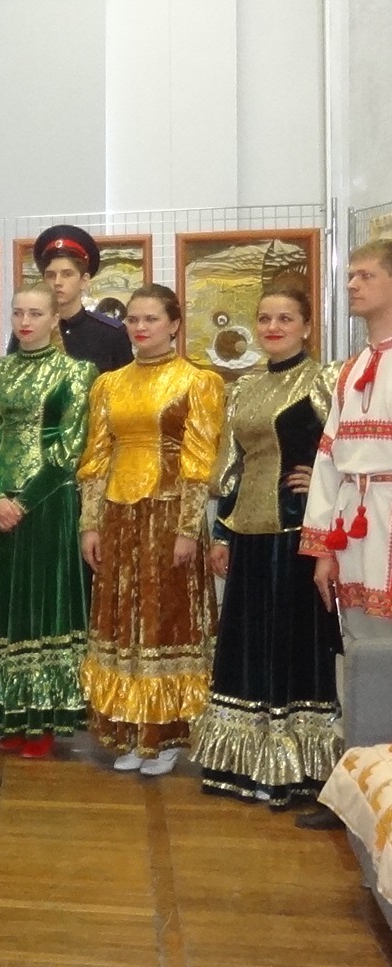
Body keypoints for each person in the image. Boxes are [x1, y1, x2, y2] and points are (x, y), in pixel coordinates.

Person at [189, 286, 340, 806]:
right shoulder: (244, 388)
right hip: (249, 537)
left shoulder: (324, 379)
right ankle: (244, 765)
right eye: (265, 318)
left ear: (307, 327)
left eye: (285, 319)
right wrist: (221, 534)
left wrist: (324, 479)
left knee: (290, 646)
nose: (273, 327)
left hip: (298, 535)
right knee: (248, 647)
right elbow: (231, 469)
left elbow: (348, 446)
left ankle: (293, 771)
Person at [78, 284, 224, 776]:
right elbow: (96, 458)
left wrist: (188, 527)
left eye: (151, 319)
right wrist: (90, 523)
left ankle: (164, 737)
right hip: (118, 514)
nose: (140, 328)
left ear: (174, 324)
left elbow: (200, 460)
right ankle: (127, 730)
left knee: (165, 620)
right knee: (121, 622)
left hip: (168, 513)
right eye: (133, 319)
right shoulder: (108, 384)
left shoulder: (198, 381)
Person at [0, 284, 97, 758]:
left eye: (36, 313)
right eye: (18, 313)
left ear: (55, 319)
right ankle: (7, 715)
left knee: (42, 605)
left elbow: (70, 446)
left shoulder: (77, 372)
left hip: (49, 503)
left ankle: (42, 722)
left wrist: (24, 501)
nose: (25, 322)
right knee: (1, 604)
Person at [298, 238, 392, 829]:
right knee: (358, 656)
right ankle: (356, 790)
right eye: (350, 275)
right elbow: (328, 461)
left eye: (365, 275)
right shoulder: (350, 369)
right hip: (354, 533)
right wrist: (322, 550)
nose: (352, 284)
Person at [7, 226, 133, 374]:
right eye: (51, 275)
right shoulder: (31, 330)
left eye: (67, 274)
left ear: (84, 280)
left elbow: (126, 383)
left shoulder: (111, 333)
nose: (57, 282)